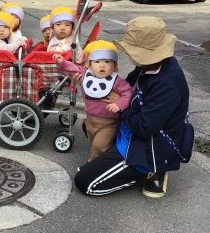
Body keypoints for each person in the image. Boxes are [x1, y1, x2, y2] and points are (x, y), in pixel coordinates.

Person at [74, 16, 190, 199]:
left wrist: (121, 108)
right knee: (89, 123)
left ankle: (151, 170)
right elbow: (123, 86)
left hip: (147, 143)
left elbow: (144, 127)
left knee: (86, 182)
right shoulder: (148, 66)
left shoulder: (168, 83)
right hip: (129, 129)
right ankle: (114, 164)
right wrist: (89, 80)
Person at [53, 40, 132, 163]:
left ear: (115, 67)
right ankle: (101, 158)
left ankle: (93, 162)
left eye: (107, 62)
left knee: (99, 147)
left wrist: (119, 104)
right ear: (89, 65)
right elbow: (73, 69)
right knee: (93, 142)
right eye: (97, 62)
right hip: (90, 120)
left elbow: (128, 93)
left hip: (109, 123)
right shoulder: (85, 75)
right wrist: (62, 62)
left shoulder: (117, 81)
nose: (102, 65)